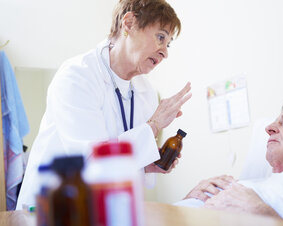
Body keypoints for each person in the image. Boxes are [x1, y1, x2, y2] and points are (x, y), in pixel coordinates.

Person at [17, 0, 191, 210]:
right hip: (51, 209)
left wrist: (147, 165)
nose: (165, 52)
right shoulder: (77, 76)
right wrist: (153, 125)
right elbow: (91, 160)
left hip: (103, 211)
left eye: (168, 43)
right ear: (128, 24)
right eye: (160, 37)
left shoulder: (146, 92)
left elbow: (119, 162)